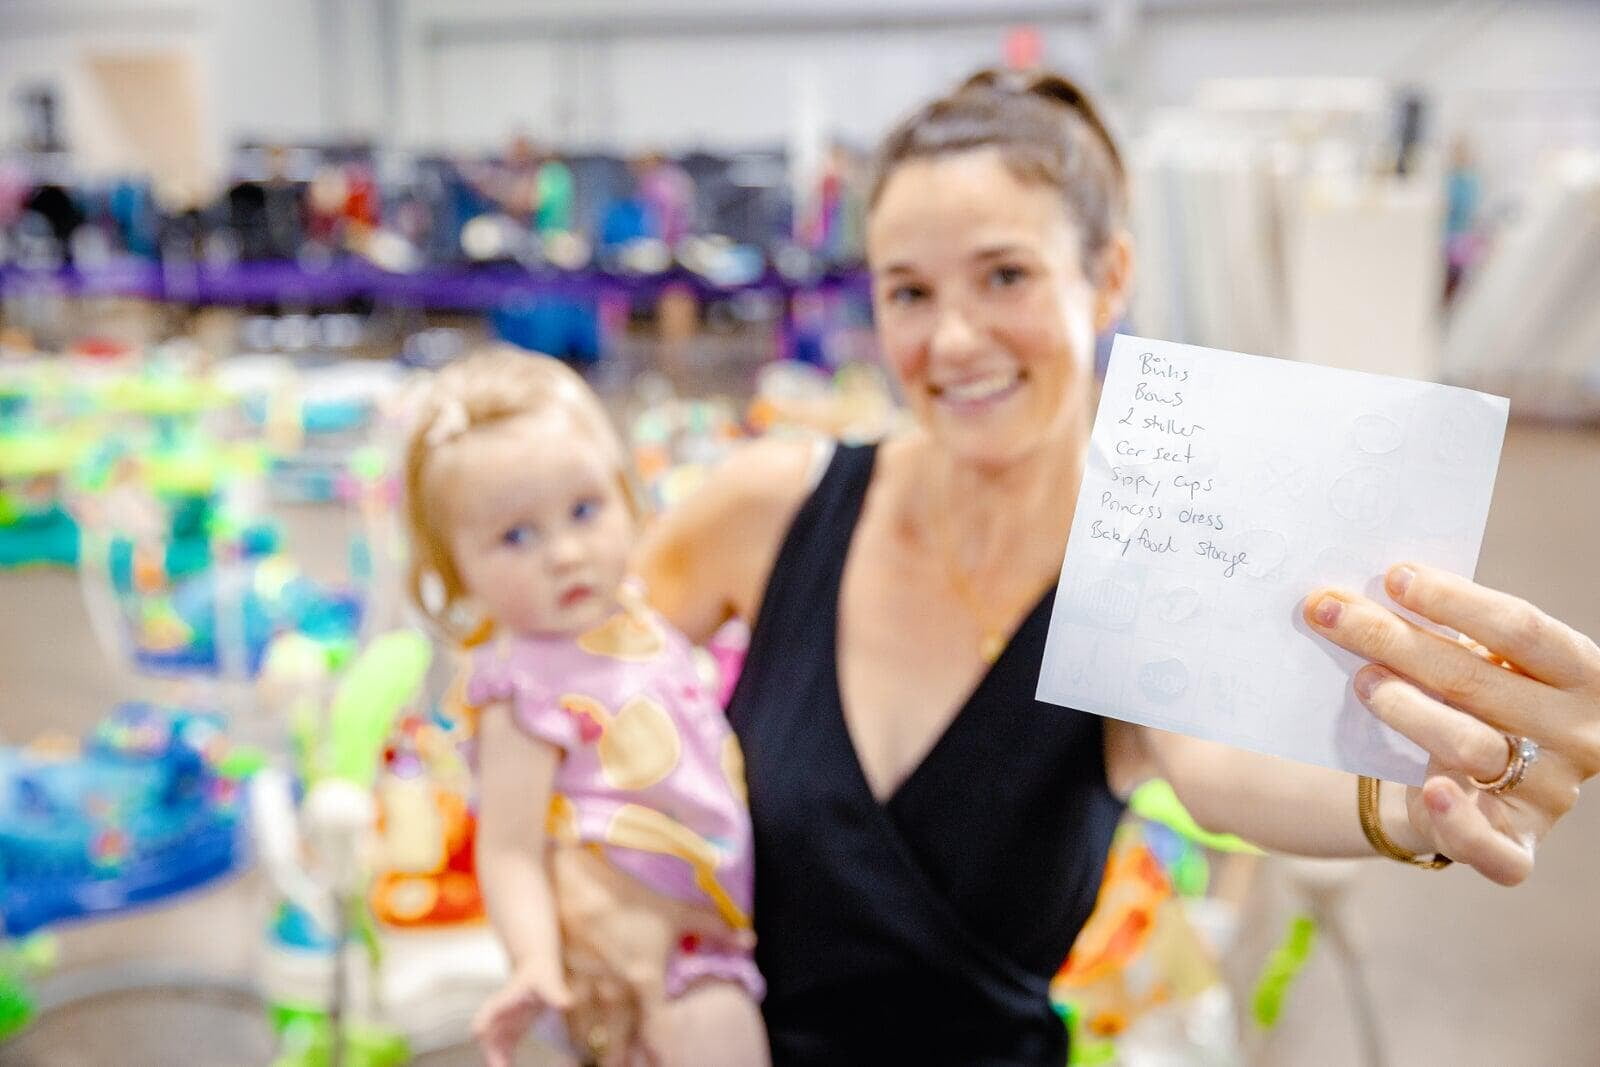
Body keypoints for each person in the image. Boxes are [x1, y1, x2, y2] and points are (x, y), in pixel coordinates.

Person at [552, 68, 1600, 1064]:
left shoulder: (1144, 562)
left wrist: (1416, 803)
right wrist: (584, 880)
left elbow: (1226, 774)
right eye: (907, 291)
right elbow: (569, 689)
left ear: (1107, 279)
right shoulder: (765, 511)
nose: (952, 339)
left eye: (1004, 275)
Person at [400, 348, 767, 1067]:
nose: (565, 552)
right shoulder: (521, 685)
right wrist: (534, 960)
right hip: (647, 962)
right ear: (456, 567)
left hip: (710, 932)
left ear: (627, 497)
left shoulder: (636, 621)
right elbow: (507, 846)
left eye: (584, 510)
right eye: (516, 535)